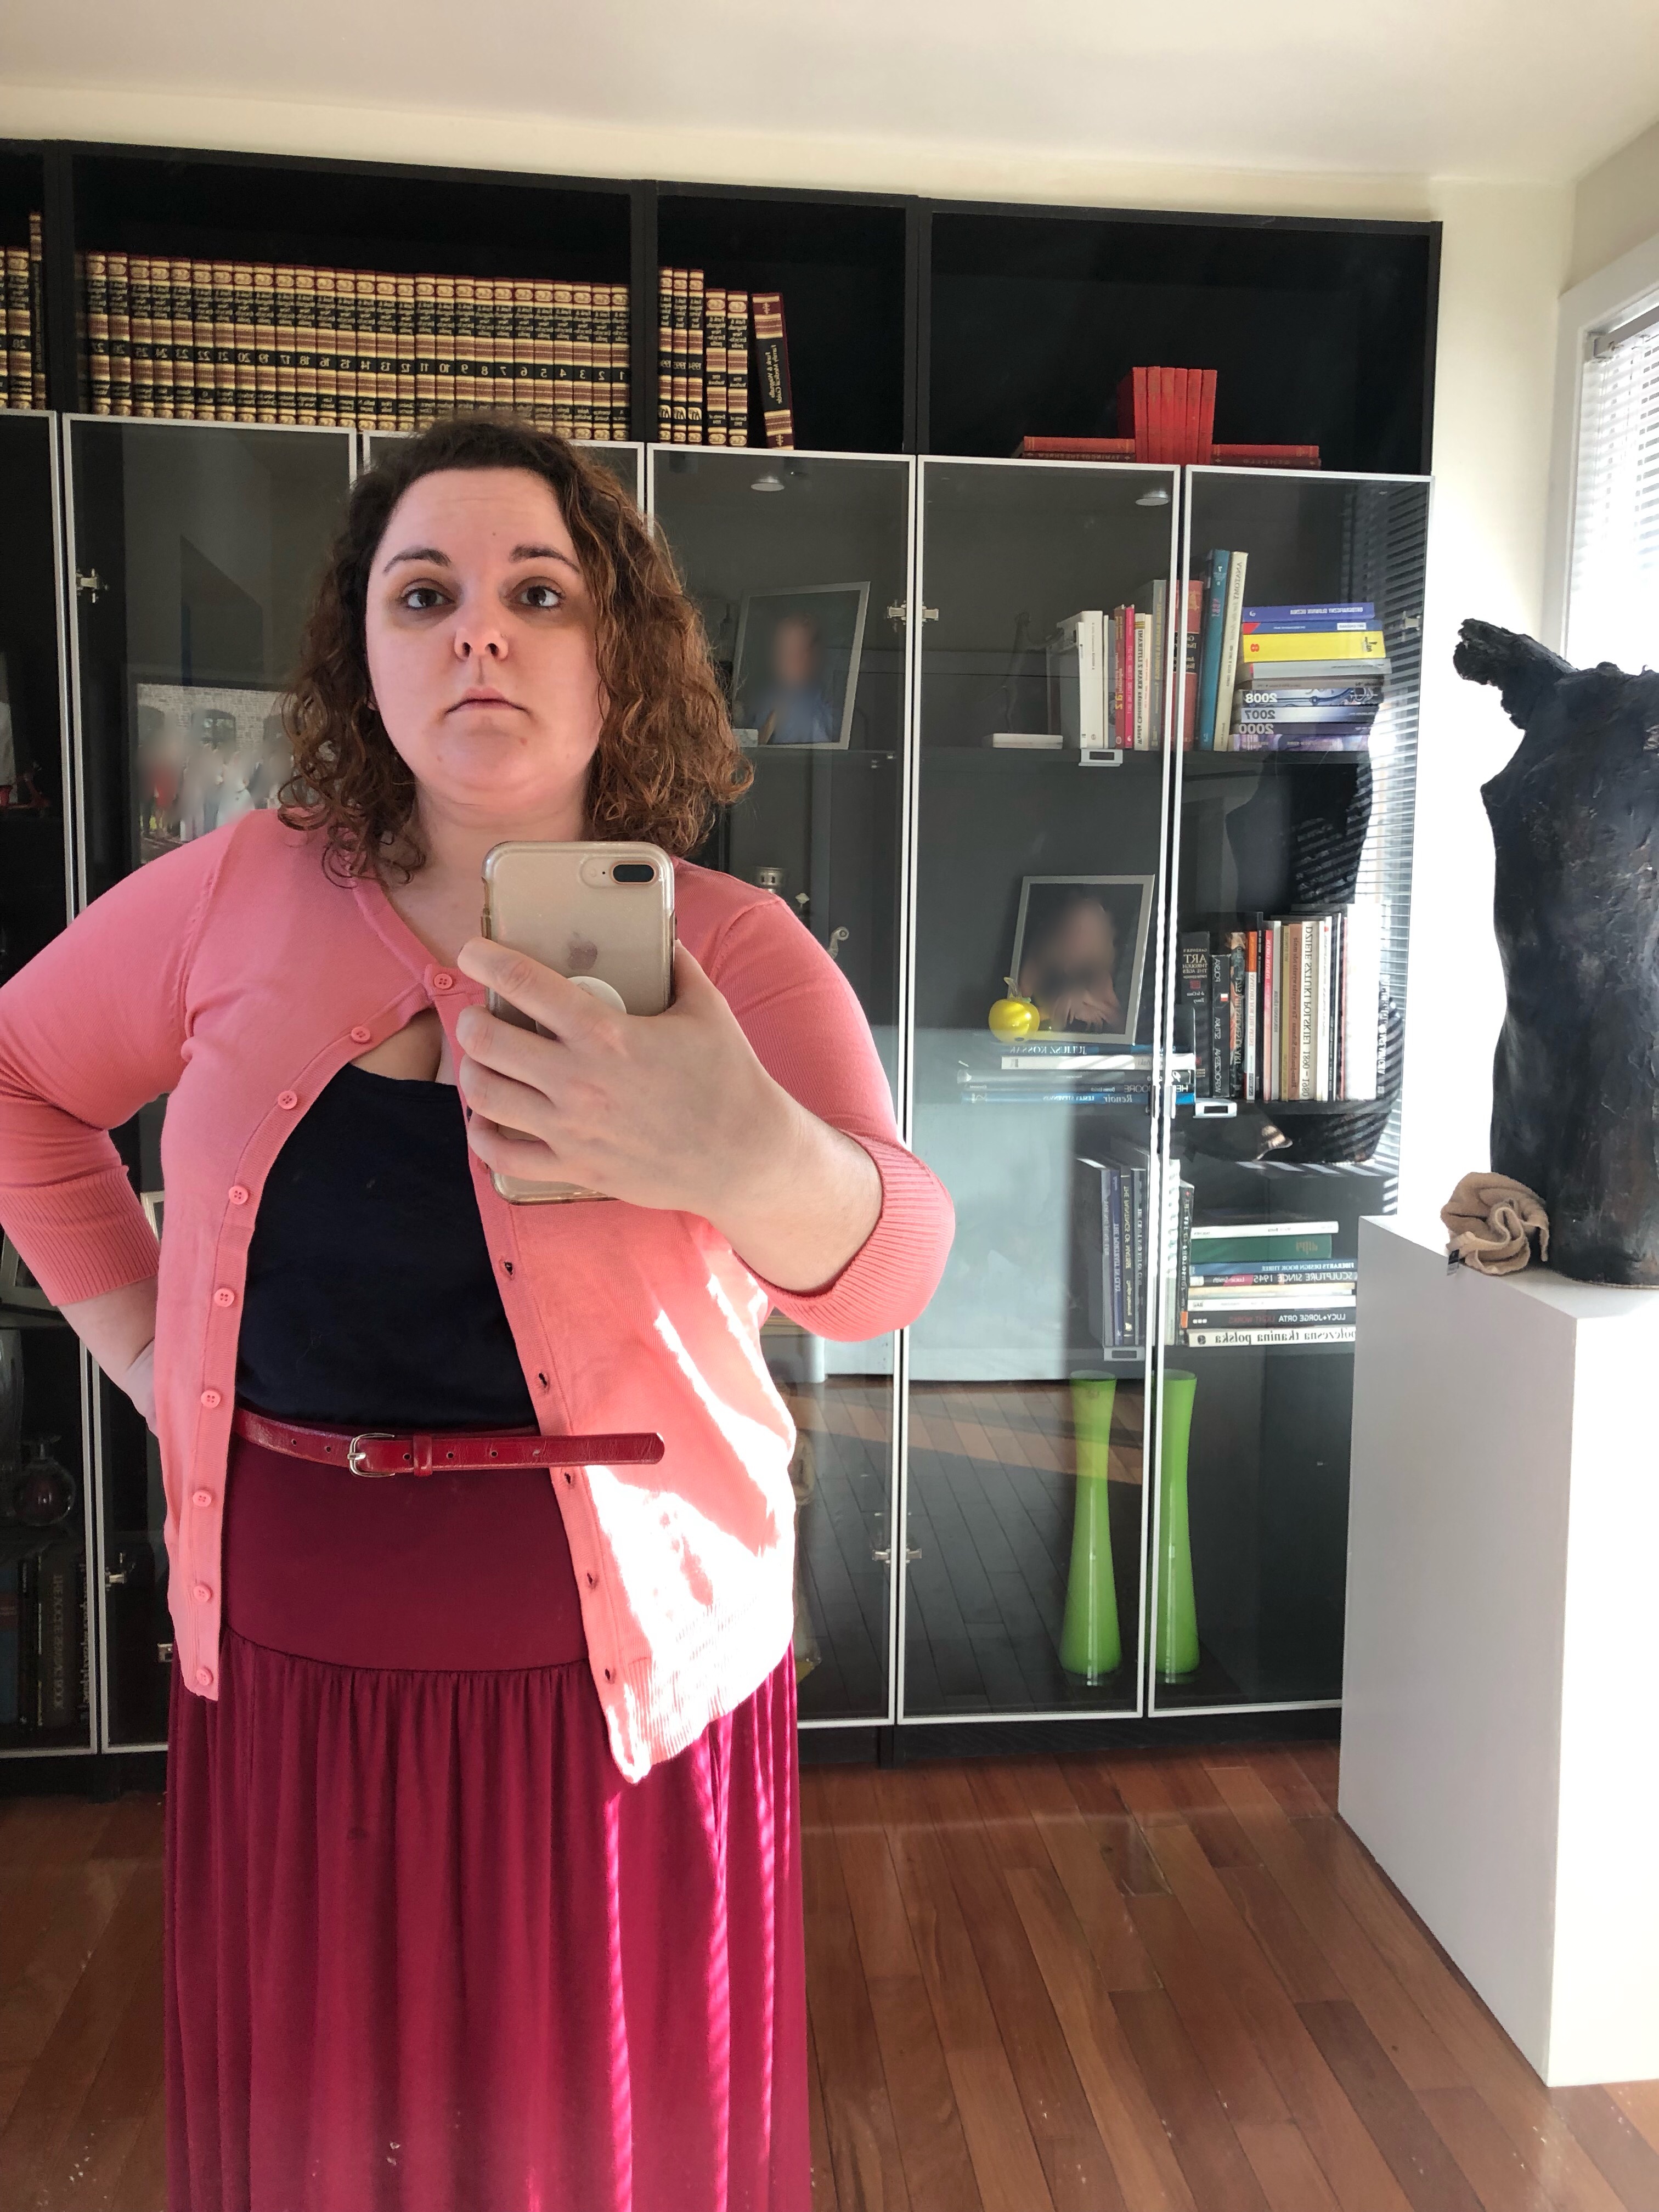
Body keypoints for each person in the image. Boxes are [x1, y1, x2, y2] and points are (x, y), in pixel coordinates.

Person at [0, 414, 954, 2212]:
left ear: (619, 650)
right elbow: (21, 1081)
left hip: (628, 1698)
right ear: (361, 654)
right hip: (288, 1675)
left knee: (599, 2154)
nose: (481, 634)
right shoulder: (238, 891)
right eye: (423, 594)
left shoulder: (728, 951)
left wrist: (742, 1149)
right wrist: (143, 1350)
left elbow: (894, 1268)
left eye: (541, 592)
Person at [1015, 884, 1125, 1034]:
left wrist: (1090, 1003)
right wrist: (1052, 1010)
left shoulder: (1100, 972)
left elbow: (1121, 1023)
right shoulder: (1040, 956)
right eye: (1073, 929)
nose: (1078, 938)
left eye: (1088, 934)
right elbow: (1014, 1016)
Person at [750, 611, 839, 746]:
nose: (783, 663)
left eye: (793, 654)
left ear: (812, 657)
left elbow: (822, 751)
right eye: (780, 652)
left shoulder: (823, 705)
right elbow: (753, 742)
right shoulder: (767, 698)